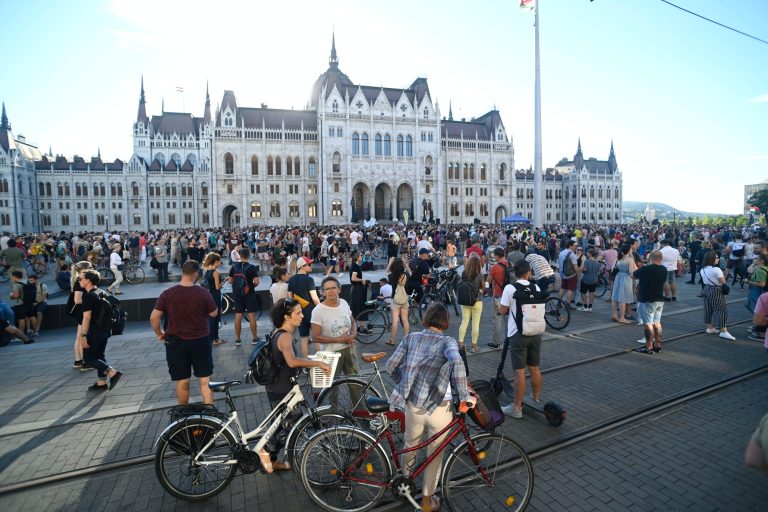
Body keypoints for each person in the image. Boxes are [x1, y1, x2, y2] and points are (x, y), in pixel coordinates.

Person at [385, 302, 475, 512]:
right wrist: (464, 396)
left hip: (414, 406)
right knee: (435, 454)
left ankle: (405, 485)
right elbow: (457, 363)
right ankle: (427, 501)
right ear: (446, 322)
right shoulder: (447, 342)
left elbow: (390, 365)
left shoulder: (410, 338)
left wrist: (405, 383)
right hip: (439, 408)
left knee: (410, 445)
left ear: (426, 318)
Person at [259, 298, 332, 473]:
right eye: (297, 313)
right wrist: (318, 364)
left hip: (278, 387)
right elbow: (291, 362)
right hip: (282, 389)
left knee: (281, 424)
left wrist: (308, 362)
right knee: (291, 425)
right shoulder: (284, 336)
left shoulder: (279, 331)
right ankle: (265, 453)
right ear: (287, 317)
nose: (302, 316)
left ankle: (271, 458)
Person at [150, 260, 218, 405]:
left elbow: (154, 317)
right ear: (196, 274)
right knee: (205, 379)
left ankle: (183, 412)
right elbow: (213, 313)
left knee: (182, 380)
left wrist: (159, 333)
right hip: (200, 340)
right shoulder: (203, 292)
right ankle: (210, 411)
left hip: (176, 342)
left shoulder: (168, 294)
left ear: (182, 273)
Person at [498, 260, 544, 419]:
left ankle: (517, 408)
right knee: (535, 367)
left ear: (514, 273)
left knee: (519, 372)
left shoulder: (510, 288)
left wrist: (500, 305)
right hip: (536, 333)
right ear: (529, 272)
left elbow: (502, 311)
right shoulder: (536, 287)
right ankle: (536, 398)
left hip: (518, 335)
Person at [310, 276, 359, 387]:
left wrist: (354, 333)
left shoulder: (344, 303)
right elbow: (315, 337)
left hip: (349, 349)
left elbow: (353, 322)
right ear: (323, 292)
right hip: (331, 354)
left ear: (339, 289)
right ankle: (333, 405)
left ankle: (359, 405)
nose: (331, 291)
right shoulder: (318, 311)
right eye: (327, 289)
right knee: (332, 387)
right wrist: (338, 339)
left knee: (356, 382)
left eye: (334, 287)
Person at [79, 269, 123, 392]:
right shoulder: (101, 292)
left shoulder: (88, 296)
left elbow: (87, 318)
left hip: (94, 331)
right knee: (99, 355)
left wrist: (83, 335)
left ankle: (113, 373)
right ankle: (101, 383)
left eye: (80, 278)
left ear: (88, 280)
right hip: (105, 330)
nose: (79, 280)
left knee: (88, 359)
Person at [633, 250, 668, 354]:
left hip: (647, 299)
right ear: (660, 259)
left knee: (648, 324)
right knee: (657, 323)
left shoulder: (645, 269)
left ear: (650, 258)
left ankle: (649, 347)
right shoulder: (664, 269)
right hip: (659, 299)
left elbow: (633, 275)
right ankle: (658, 346)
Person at [228, 248, 262, 347]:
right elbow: (256, 282)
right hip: (249, 294)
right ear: (249, 255)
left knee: (238, 316)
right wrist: (250, 287)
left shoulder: (234, 267)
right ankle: (254, 338)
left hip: (238, 295)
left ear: (240, 255)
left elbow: (230, 281)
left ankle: (238, 339)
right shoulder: (252, 268)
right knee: (251, 315)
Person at [288, 256, 320, 357]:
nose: (311, 266)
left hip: (299, 313)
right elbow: (314, 298)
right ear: (302, 266)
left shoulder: (291, 280)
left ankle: (305, 362)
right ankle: (320, 360)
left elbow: (290, 298)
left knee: (303, 338)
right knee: (317, 337)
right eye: (309, 264)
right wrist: (321, 308)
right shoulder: (309, 279)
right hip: (311, 312)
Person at [699, 251, 736, 340]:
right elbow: (723, 282)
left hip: (706, 289)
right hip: (715, 290)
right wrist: (725, 275)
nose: (718, 259)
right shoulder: (716, 269)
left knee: (708, 309)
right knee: (721, 309)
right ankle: (724, 331)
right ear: (712, 259)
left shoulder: (702, 269)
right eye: (716, 258)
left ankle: (710, 327)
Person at [457, 253, 485, 353]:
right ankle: (474, 346)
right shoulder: (480, 275)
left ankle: (460, 344)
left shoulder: (464, 273)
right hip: (477, 301)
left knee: (464, 322)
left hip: (465, 301)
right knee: (475, 324)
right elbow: (483, 288)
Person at [487, 247, 510, 349]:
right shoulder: (509, 264)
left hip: (498, 295)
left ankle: (496, 342)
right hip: (509, 295)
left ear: (496, 255)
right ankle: (509, 339)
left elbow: (488, 280)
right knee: (508, 319)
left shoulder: (495, 267)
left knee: (497, 319)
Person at [201, 252, 225, 345]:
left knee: (211, 318)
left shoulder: (207, 271)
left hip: (208, 295)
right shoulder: (215, 272)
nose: (220, 263)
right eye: (219, 261)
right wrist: (224, 281)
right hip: (215, 296)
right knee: (216, 317)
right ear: (215, 261)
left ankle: (212, 338)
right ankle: (215, 339)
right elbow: (217, 287)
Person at [387, 257, 411, 346]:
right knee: (405, 320)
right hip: (405, 300)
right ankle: (406, 340)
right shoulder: (406, 275)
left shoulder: (391, 276)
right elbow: (411, 272)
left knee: (395, 321)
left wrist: (390, 262)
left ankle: (392, 340)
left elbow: (386, 272)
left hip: (395, 300)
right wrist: (405, 263)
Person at [611, 246, 636, 324]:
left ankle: (614, 314)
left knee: (615, 297)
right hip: (626, 278)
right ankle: (622, 317)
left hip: (618, 277)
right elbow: (631, 272)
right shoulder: (630, 260)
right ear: (629, 251)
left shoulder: (618, 258)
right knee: (623, 298)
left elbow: (612, 269)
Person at [557, 240, 579, 306]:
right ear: (570, 246)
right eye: (574, 245)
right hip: (571, 274)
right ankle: (568, 304)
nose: (575, 247)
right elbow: (575, 266)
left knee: (563, 288)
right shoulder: (572, 254)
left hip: (563, 274)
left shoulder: (561, 253)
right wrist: (577, 273)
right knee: (570, 289)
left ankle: (559, 303)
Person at [579, 248, 600, 312]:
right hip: (594, 280)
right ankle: (590, 307)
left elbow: (584, 270)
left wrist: (582, 269)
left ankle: (585, 306)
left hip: (586, 279)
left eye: (588, 252)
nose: (587, 253)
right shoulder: (597, 262)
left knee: (583, 292)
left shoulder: (587, 261)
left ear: (590, 254)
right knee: (592, 293)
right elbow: (598, 271)